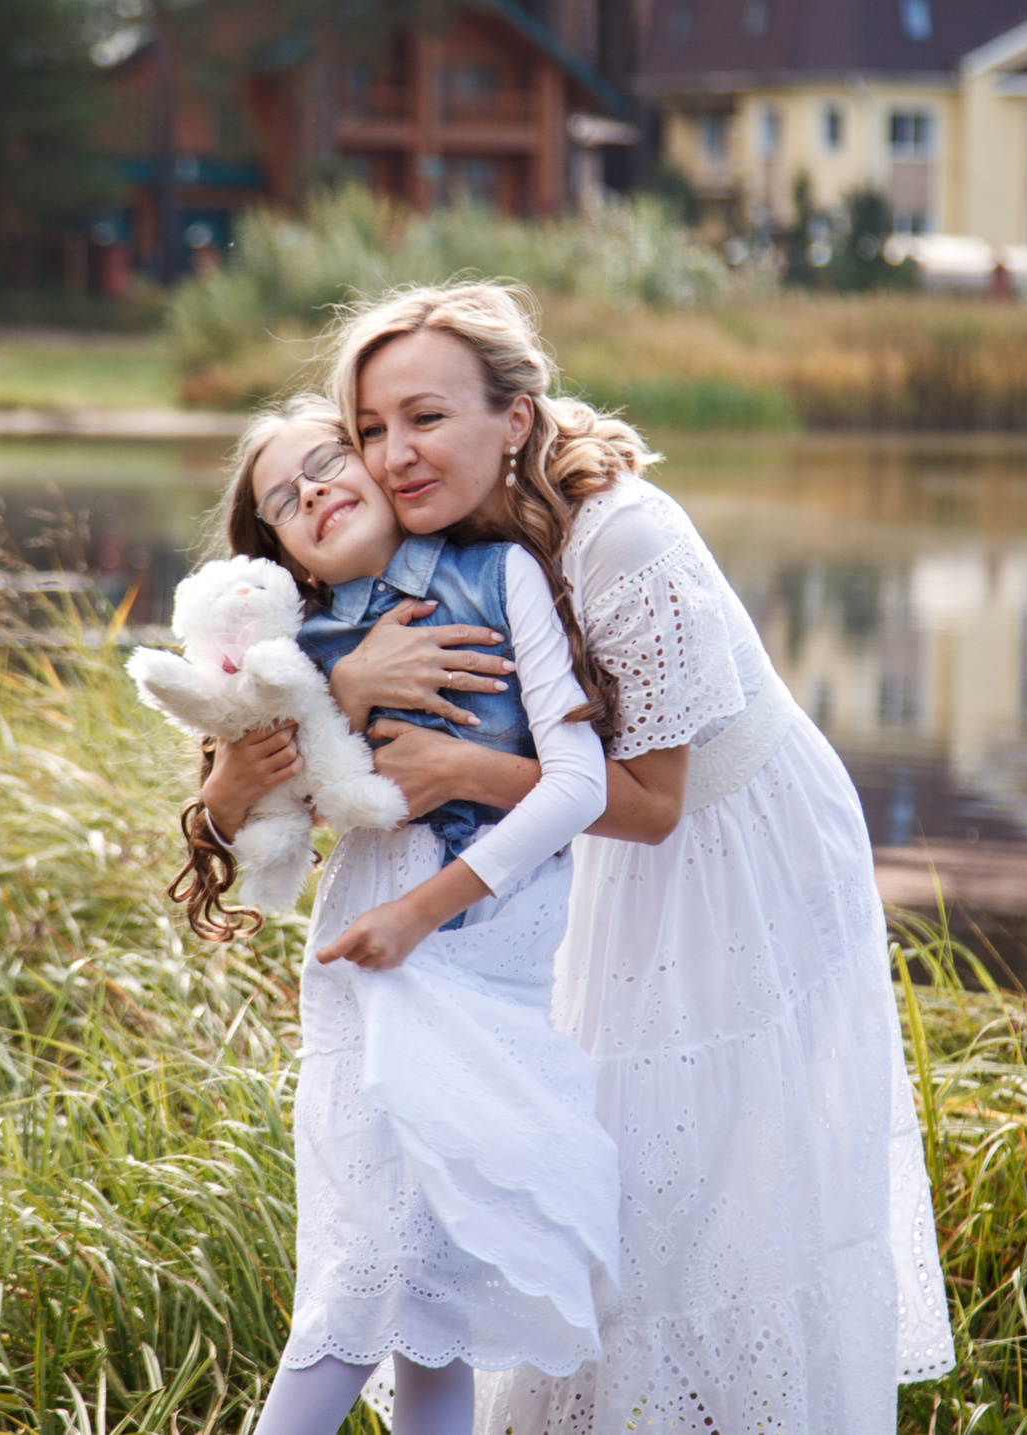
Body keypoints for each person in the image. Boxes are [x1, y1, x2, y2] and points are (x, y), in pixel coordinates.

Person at [314, 286, 956, 1435]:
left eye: (424, 418)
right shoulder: (434, 544)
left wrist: (463, 776)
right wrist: (341, 689)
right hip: (591, 845)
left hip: (739, 851)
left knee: (706, 1180)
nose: (393, 455)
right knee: (594, 1165)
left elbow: (659, 803)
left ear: (514, 419)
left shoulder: (624, 536)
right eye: (370, 428)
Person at [183, 396, 620, 1435]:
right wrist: (334, 693)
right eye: (284, 500)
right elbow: (227, 811)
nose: (316, 491)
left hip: (490, 944)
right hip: (369, 954)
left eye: (329, 458)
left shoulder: (498, 573)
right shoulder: (288, 651)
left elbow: (581, 783)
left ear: (379, 463)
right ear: (279, 551)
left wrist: (425, 907)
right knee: (364, 1263)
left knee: (440, 1288)